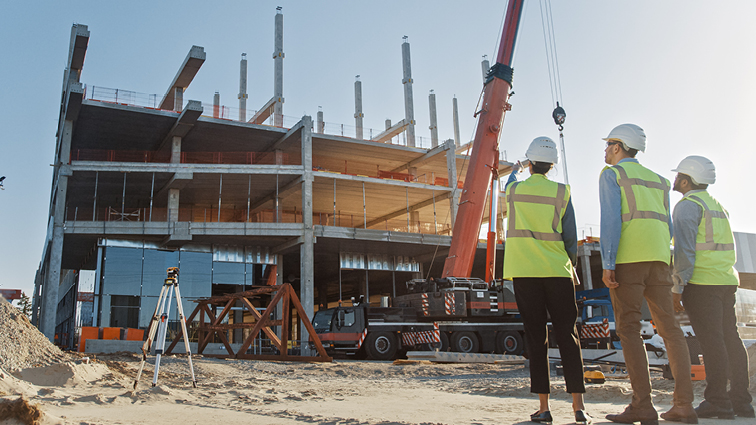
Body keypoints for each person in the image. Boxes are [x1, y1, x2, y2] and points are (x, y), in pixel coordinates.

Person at [599, 124, 697, 425]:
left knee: (628, 328)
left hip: (628, 260)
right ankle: (684, 405)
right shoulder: (659, 180)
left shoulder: (612, 175)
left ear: (618, 147)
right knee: (671, 330)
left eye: (607, 145)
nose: (604, 151)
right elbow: (666, 224)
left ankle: (643, 405)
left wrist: (608, 262)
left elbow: (611, 221)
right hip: (658, 260)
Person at [503, 137, 591, 425]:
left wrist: (516, 168)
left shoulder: (515, 190)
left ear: (530, 164)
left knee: (536, 338)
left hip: (525, 273)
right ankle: (578, 407)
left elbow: (507, 184)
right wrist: (571, 265)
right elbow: (570, 237)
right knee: (568, 336)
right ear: (552, 165)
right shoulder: (562, 192)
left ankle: (544, 408)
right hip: (557, 271)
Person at [670, 155, 754, 419]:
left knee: (712, 342)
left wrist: (677, 286)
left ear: (685, 179)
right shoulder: (718, 206)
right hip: (726, 280)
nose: (675, 179)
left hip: (702, 282)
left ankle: (717, 400)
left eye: (678, 175)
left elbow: (684, 251)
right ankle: (741, 401)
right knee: (731, 339)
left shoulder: (687, 206)